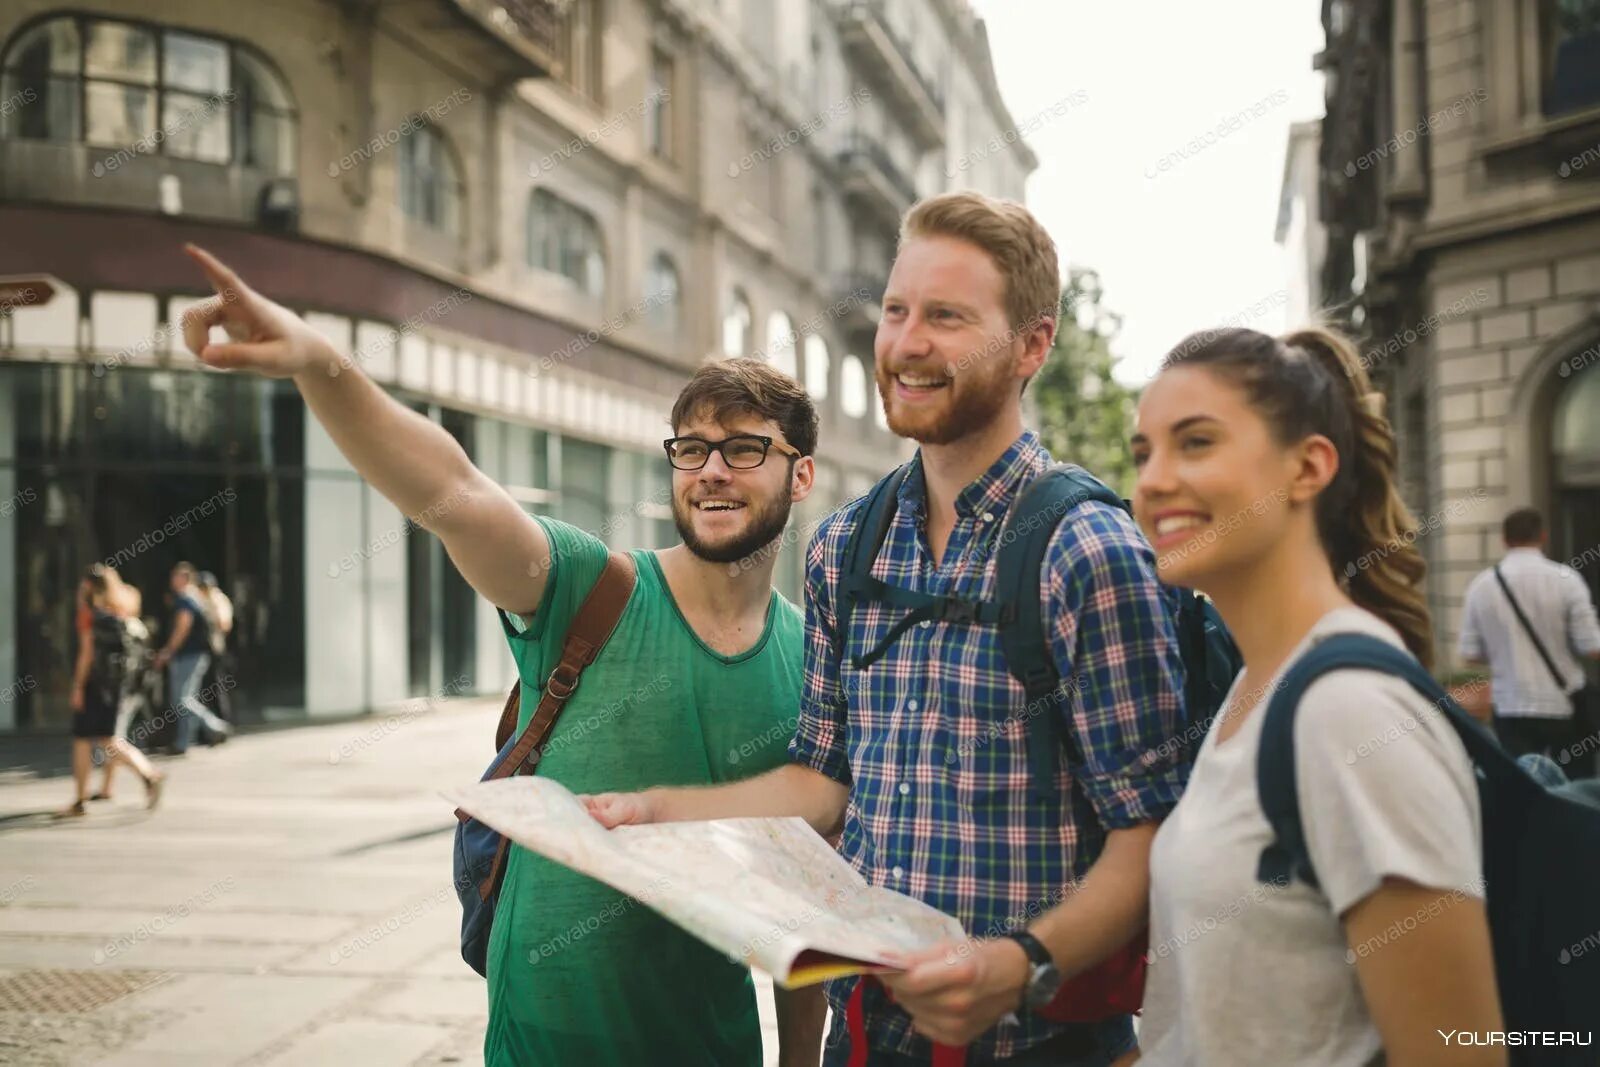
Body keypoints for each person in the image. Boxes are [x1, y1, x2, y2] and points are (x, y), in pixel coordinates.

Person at [175, 244, 827, 1067]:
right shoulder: (598, 589)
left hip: (710, 1046)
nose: (709, 471)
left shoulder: (814, 660)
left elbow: (802, 895)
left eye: (743, 448)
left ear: (800, 476)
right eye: (690, 448)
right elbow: (455, 491)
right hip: (540, 1043)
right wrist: (320, 363)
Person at [588, 191, 1190, 1065]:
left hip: (1039, 1045)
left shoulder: (1086, 549)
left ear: (1033, 344)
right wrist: (656, 810)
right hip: (867, 1039)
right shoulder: (844, 547)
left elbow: (1150, 833)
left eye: (946, 316)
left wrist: (1020, 963)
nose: (906, 343)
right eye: (898, 311)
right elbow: (821, 785)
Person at [1127, 326, 1504, 1065]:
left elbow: (1462, 1050)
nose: (1153, 480)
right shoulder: (1254, 688)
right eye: (1144, 453)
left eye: (1195, 442)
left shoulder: (1348, 711)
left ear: (1309, 467)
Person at [1459, 508, 1600, 775]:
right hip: (1565, 704)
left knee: (1522, 791)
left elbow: (1470, 653)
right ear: (1543, 536)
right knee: (1576, 789)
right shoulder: (1568, 581)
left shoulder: (1481, 586)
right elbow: (1591, 646)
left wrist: (1504, 650)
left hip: (1511, 705)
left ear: (1504, 540)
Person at [60, 567, 165, 816]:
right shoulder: (121, 608)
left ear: (88, 587)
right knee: (109, 737)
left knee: (85, 740)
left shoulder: (89, 614)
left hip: (94, 684)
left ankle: (80, 800)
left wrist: (77, 686)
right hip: (117, 685)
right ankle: (140, 776)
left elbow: (86, 654)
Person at [153, 562, 232, 753]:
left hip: (188, 655)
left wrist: (167, 651)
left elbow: (182, 628)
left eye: (176, 576)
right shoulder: (196, 598)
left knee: (182, 700)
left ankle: (214, 726)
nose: (172, 580)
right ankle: (184, 741)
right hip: (196, 655)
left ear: (186, 579)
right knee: (185, 699)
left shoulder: (186, 600)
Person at [196, 571, 235, 724]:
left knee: (216, 687)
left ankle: (223, 721)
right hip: (205, 649)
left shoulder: (218, 600)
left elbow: (224, 624)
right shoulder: (202, 600)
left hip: (215, 649)